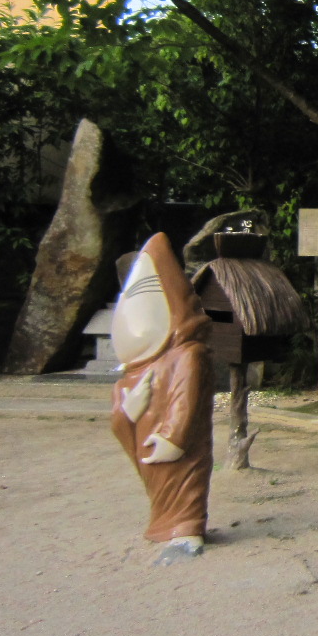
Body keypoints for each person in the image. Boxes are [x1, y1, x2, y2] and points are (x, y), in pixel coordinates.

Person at [109, 233, 215, 566]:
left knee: (183, 481)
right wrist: (128, 412)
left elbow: (187, 399)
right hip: (147, 449)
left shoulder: (187, 355)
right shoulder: (129, 377)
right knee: (159, 486)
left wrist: (174, 436)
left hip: (175, 445)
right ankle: (164, 524)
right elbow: (119, 421)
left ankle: (187, 528)